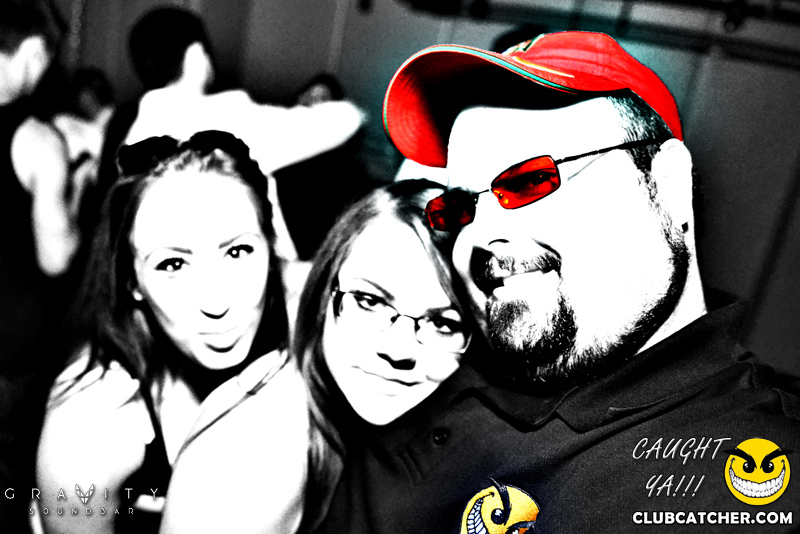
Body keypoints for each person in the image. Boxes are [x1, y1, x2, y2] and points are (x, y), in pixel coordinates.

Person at [318, 32, 800, 533]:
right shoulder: (447, 343)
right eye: (460, 206)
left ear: (668, 185)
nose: (480, 233)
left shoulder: (749, 474)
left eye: (528, 181)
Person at [157, 179, 477, 534]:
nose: (398, 350)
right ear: (325, 291)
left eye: (443, 323)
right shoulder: (250, 465)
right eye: (370, 301)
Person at [35, 131, 302, 534]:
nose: (216, 302)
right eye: (172, 265)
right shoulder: (90, 427)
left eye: (238, 251)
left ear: (270, 249)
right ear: (132, 281)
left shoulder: (319, 326)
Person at [0, 2, 77, 531]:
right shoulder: (37, 139)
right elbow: (57, 257)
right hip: (8, 347)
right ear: (32, 50)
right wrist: (79, 191)